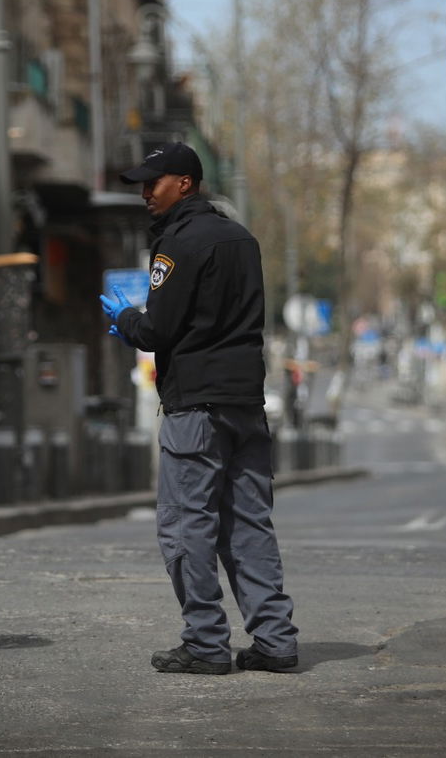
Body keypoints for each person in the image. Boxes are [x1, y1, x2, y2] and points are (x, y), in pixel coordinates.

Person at [100, 143, 299, 675]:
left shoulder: (178, 242)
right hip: (246, 403)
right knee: (250, 524)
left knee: (186, 525)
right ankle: (275, 640)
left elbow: (158, 330)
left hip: (195, 407)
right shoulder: (241, 238)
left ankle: (206, 642)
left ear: (185, 183)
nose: (145, 192)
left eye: (154, 182)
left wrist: (126, 320)